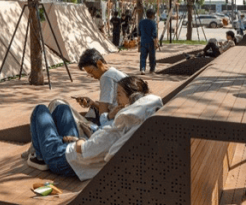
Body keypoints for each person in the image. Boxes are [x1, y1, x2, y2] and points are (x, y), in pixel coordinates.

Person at [27, 76, 163, 180]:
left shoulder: (116, 132)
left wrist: (79, 141)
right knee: (62, 108)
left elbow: (86, 149)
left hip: (62, 159)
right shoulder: (131, 122)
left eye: (119, 94)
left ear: (131, 98)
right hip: (77, 151)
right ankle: (46, 148)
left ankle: (41, 157)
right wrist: (110, 116)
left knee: (40, 110)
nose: (116, 98)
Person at [75, 49, 127, 122]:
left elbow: (103, 114)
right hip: (124, 115)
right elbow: (108, 106)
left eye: (91, 71)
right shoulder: (113, 72)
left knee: (79, 119)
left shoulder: (106, 77)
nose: (91, 75)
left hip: (119, 120)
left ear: (99, 63)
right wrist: (93, 103)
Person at [138, 9, 158, 74]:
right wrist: (156, 44)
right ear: (152, 15)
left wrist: (138, 43)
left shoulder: (141, 22)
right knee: (152, 57)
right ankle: (152, 69)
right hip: (151, 42)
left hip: (143, 41)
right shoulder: (153, 23)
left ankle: (142, 69)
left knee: (143, 56)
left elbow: (139, 33)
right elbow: (154, 35)